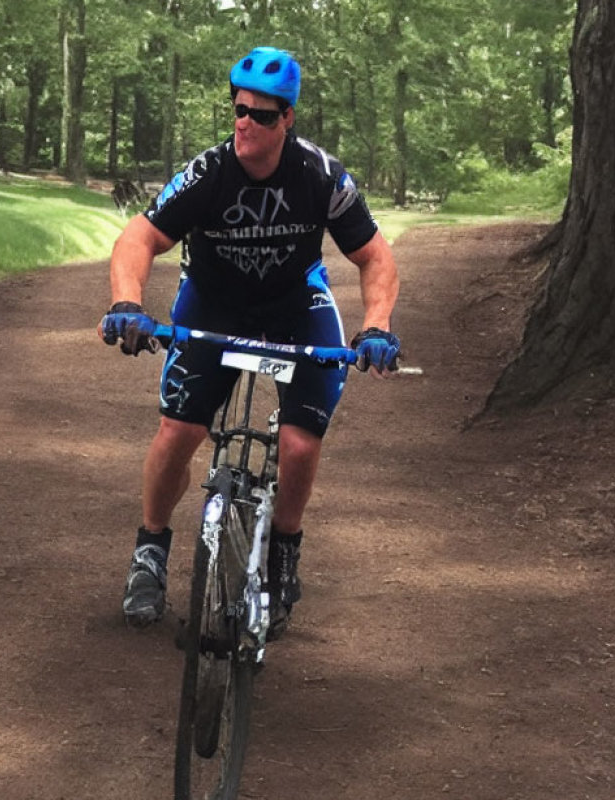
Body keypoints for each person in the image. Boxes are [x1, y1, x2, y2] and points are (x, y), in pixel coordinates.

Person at [98, 46, 401, 637]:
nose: (245, 123)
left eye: (262, 115)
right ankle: (151, 549)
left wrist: (379, 326)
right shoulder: (208, 174)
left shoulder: (320, 176)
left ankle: (284, 546)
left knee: (298, 446)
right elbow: (138, 237)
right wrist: (127, 304)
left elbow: (375, 257)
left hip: (295, 308)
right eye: (238, 109)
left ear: (287, 119)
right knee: (178, 432)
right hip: (216, 304)